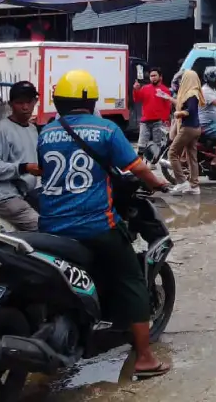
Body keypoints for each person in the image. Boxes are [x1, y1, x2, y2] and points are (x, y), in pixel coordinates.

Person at [36, 69, 172, 379]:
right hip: (95, 226)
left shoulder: (46, 132)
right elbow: (137, 168)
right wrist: (159, 184)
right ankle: (145, 358)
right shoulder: (107, 130)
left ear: (59, 101)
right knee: (132, 278)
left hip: (49, 228)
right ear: (92, 100)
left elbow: (47, 170)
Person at [0, 81, 42, 231]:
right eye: (20, 103)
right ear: (11, 104)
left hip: (29, 194)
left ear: (35, 102)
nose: (25, 107)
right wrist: (24, 168)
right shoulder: (2, 129)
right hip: (7, 197)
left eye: (29, 102)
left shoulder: (32, 129)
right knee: (44, 227)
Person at [168, 70, 204, 195]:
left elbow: (191, 110)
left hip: (188, 128)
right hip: (195, 128)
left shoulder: (191, 93)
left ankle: (182, 182)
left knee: (172, 153)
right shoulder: (194, 92)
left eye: (182, 79)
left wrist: (179, 113)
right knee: (191, 157)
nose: (181, 81)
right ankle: (194, 186)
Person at [133, 68, 173, 156]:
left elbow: (167, 107)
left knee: (157, 145)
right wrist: (136, 90)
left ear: (160, 77)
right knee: (141, 145)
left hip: (158, 122)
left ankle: (153, 161)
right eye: (151, 76)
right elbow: (137, 99)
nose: (153, 78)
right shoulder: (145, 88)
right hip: (145, 121)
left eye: (155, 75)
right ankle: (139, 162)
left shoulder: (165, 90)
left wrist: (165, 120)